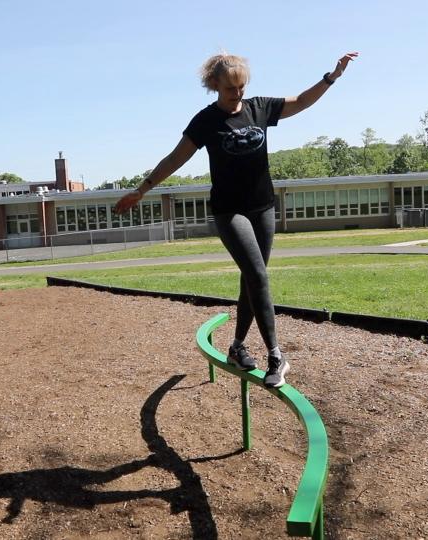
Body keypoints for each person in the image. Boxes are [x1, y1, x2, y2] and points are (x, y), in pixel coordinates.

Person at [115, 51, 358, 388]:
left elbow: (301, 101)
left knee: (251, 279)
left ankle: (237, 346)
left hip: (263, 207)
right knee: (257, 273)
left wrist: (332, 77)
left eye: (242, 86)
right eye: (231, 88)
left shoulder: (259, 107)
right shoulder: (205, 121)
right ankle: (276, 354)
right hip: (229, 210)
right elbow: (175, 158)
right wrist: (141, 190)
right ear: (214, 85)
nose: (238, 93)